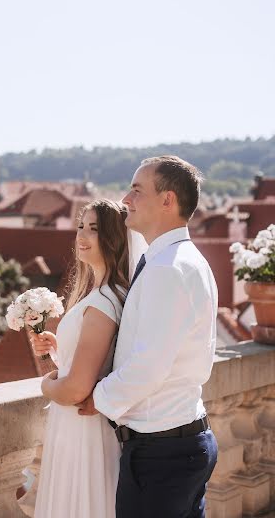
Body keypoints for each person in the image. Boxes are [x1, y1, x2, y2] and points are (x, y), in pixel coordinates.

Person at [77, 155, 219, 518]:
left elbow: (148, 367)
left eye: (137, 190)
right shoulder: (183, 259)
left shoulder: (168, 269)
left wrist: (98, 397)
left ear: (167, 200)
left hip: (162, 453)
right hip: (178, 443)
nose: (127, 199)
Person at [30, 199, 130, 518]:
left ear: (114, 238)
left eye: (95, 229)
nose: (83, 235)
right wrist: (60, 350)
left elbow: (74, 391)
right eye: (81, 227)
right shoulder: (103, 293)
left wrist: (46, 385)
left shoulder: (104, 301)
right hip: (78, 428)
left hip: (85, 431)